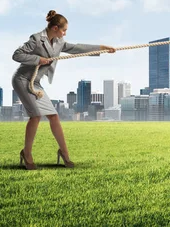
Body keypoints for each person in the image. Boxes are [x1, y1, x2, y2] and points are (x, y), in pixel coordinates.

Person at [12, 10, 116, 170]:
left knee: (53, 116)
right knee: (36, 116)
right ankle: (26, 153)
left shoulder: (59, 42)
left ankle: (64, 153)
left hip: (36, 83)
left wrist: (103, 48)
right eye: (64, 30)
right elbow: (17, 55)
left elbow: (77, 48)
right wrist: (37, 59)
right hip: (22, 80)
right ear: (54, 28)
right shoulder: (36, 39)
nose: (65, 34)